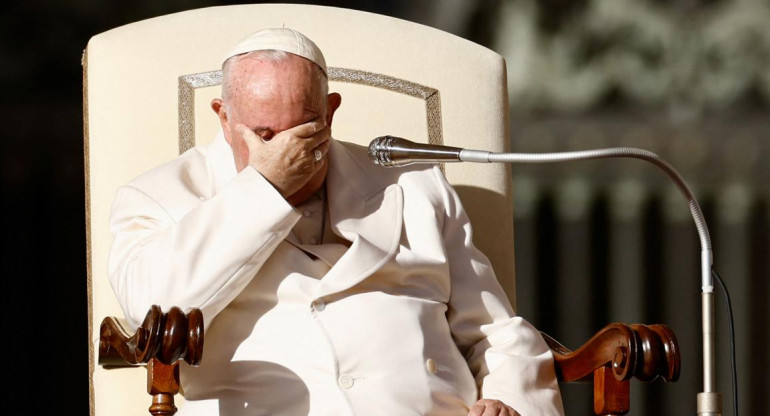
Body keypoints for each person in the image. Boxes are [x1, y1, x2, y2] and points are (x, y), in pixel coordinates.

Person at [108, 28, 564, 416]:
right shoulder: (159, 197)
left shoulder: (414, 185)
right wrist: (264, 188)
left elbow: (495, 331)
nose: (287, 149)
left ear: (330, 110)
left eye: (304, 127)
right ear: (224, 118)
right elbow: (150, 310)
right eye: (264, 135)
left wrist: (509, 401)